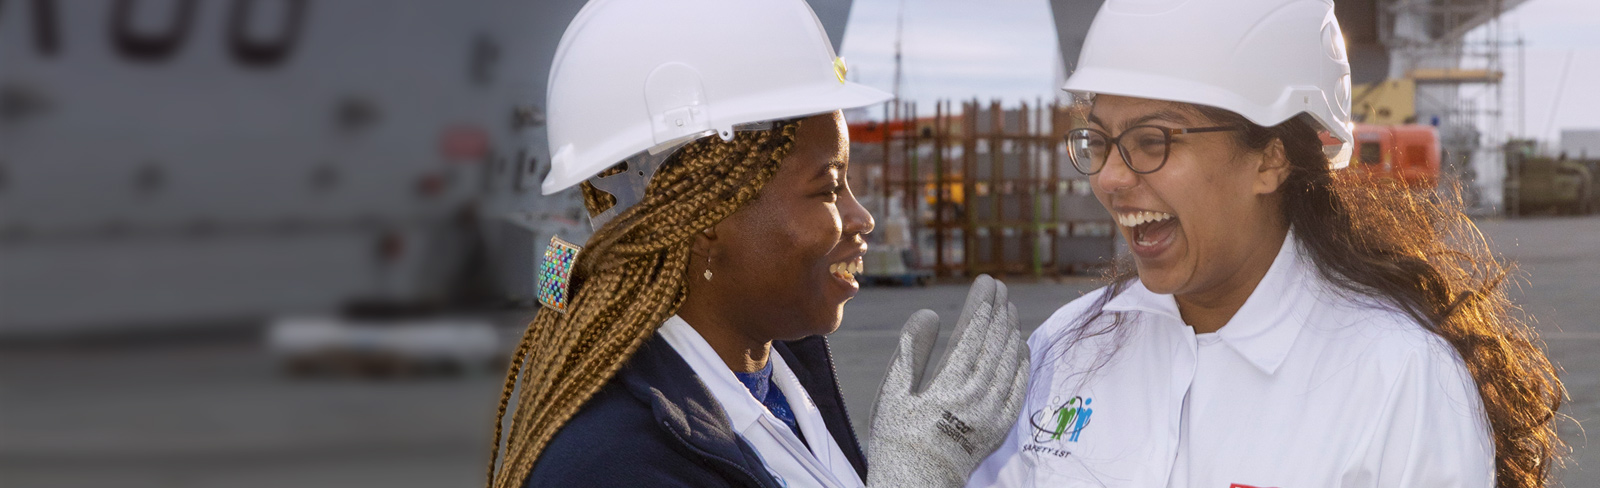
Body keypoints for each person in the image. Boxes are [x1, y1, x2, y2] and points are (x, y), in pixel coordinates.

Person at [968, 0, 1566, 487]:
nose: (1111, 178)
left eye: (1153, 140)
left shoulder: (1397, 377)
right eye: (1097, 140)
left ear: (1271, 158)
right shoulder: (1065, 350)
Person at [484, 1, 1028, 487]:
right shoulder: (614, 466)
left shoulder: (783, 378)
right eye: (828, 188)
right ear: (708, 218)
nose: (861, 218)